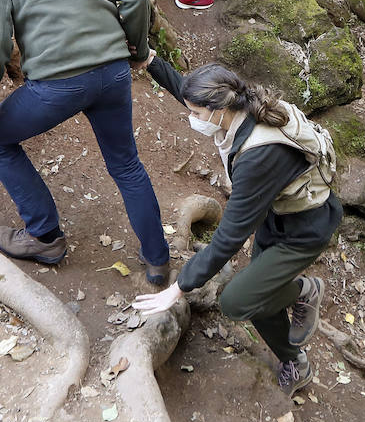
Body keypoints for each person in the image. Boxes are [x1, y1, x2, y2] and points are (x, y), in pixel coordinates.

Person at [0, 0, 172, 285]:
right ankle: (158, 259)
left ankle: (44, 236)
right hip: (112, 74)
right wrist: (137, 51)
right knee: (126, 165)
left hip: (56, 84)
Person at [131, 57, 340, 396]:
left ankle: (305, 291)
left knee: (236, 301)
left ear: (218, 110)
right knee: (257, 297)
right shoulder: (243, 105)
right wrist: (152, 62)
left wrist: (178, 287)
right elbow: (189, 93)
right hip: (276, 218)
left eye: (197, 114)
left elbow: (229, 236)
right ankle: (295, 361)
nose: (193, 120)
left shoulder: (258, 157)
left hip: (304, 231)